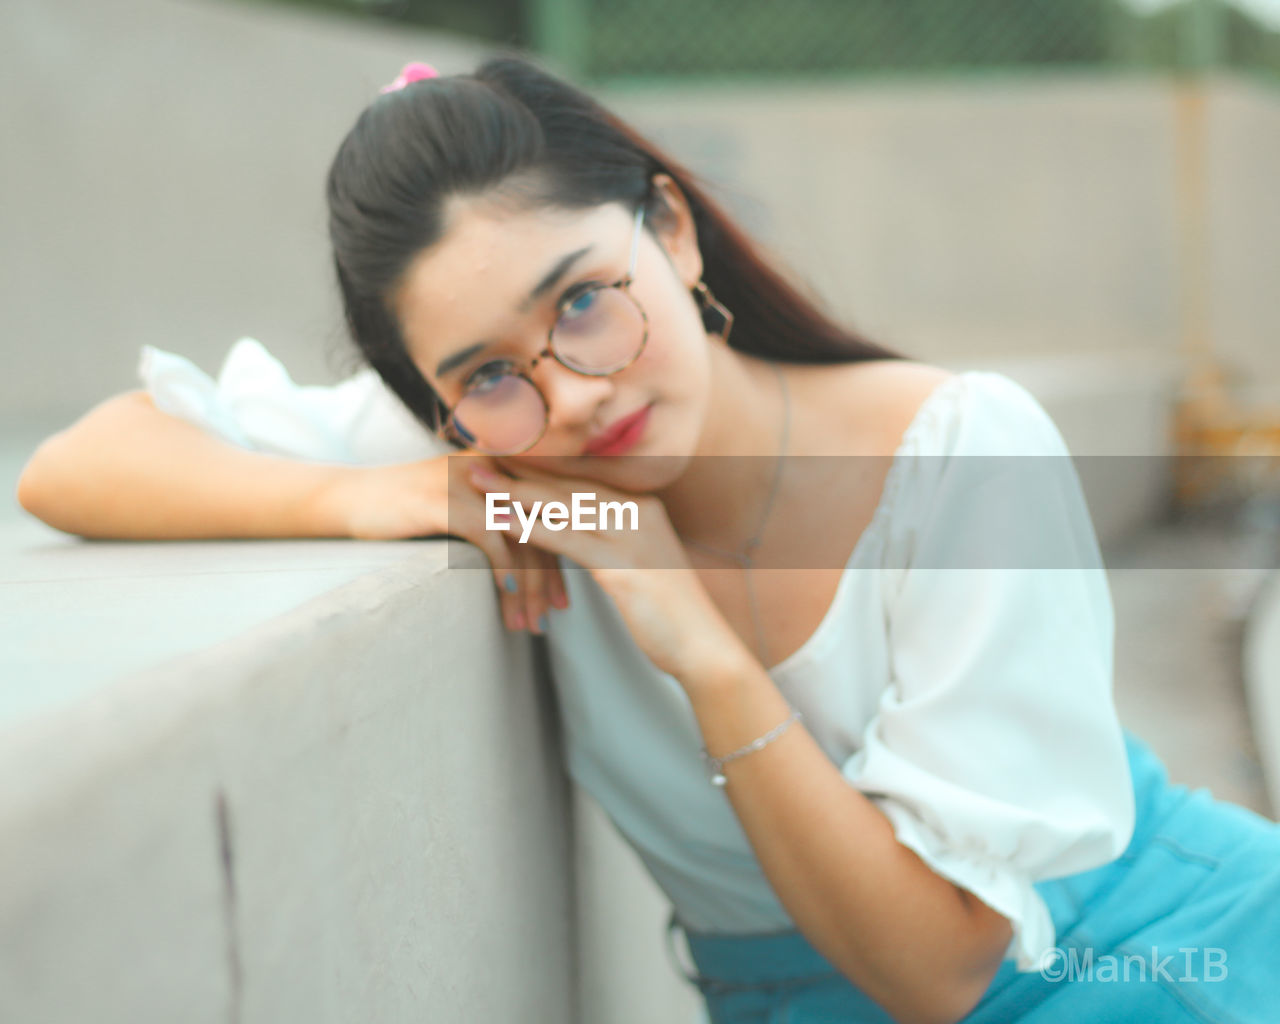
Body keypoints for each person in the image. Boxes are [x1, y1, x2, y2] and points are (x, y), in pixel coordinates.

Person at [17, 55, 1280, 1024]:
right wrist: (388, 497)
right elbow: (78, 465)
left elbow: (941, 967)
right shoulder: (499, 456)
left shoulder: (961, 451)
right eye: (487, 374)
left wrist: (704, 650)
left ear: (669, 231)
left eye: (582, 301)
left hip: (1172, 964)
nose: (568, 393)